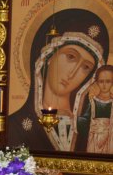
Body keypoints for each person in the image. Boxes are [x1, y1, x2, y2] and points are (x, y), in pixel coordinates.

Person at [8, 10, 108, 152]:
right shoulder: (16, 125)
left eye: (86, 67)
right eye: (71, 57)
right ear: (48, 56)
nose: (72, 73)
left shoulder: (91, 127)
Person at [79, 64, 113, 154]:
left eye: (108, 81)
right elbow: (85, 120)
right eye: (101, 81)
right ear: (97, 82)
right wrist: (74, 120)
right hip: (95, 140)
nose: (104, 85)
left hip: (110, 140)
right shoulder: (92, 102)